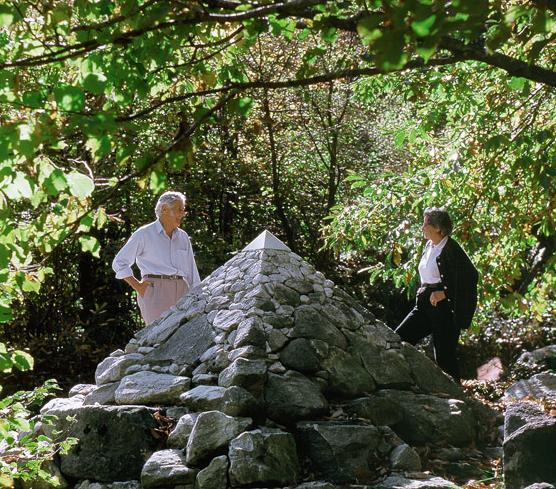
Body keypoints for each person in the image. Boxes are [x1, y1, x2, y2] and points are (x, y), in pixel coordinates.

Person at [395, 207, 479, 382]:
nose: (422, 228)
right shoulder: (429, 245)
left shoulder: (451, 249)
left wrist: (444, 293)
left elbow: (470, 277)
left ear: (438, 228)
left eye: (426, 224)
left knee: (444, 357)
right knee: (398, 338)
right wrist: (424, 287)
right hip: (425, 303)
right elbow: (431, 271)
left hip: (444, 309)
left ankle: (458, 399)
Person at [112, 191, 201, 325]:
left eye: (183, 210)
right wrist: (138, 286)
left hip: (183, 291)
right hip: (155, 292)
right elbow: (119, 263)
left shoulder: (183, 237)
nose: (183, 214)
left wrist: (199, 297)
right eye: (179, 210)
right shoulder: (144, 234)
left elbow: (192, 271)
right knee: (158, 340)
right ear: (164, 209)